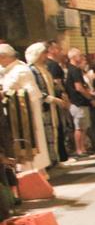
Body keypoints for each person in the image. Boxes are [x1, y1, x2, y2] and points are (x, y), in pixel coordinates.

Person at [0, 44, 52, 173]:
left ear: (3, 57)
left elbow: (29, 93)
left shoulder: (20, 70)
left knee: (29, 143)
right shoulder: (7, 70)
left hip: (25, 114)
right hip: (12, 113)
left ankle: (34, 172)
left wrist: (5, 93)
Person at [64, 48, 95, 156]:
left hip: (80, 102)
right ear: (74, 57)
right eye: (80, 55)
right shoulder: (74, 70)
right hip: (78, 102)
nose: (82, 57)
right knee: (79, 127)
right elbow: (79, 87)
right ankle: (79, 149)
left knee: (83, 127)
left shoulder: (73, 69)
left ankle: (83, 148)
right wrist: (90, 98)